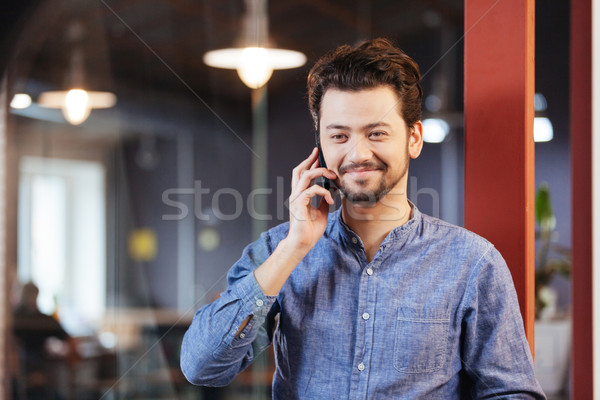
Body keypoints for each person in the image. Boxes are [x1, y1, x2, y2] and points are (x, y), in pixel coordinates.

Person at [181, 38, 546, 399]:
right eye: (339, 135)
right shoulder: (280, 249)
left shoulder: (473, 263)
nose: (357, 153)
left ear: (414, 138)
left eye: (377, 133)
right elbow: (203, 366)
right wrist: (294, 248)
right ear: (321, 145)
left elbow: (512, 393)